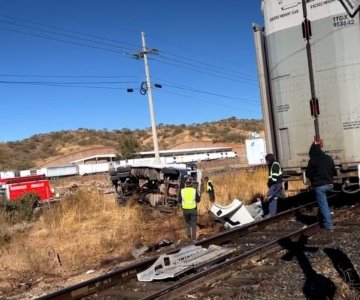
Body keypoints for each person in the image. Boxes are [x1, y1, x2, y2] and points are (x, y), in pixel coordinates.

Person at [305, 143, 336, 231]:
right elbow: (333, 171)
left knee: (324, 206)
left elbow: (308, 174)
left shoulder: (312, 160)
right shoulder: (328, 158)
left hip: (320, 187)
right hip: (330, 185)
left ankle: (329, 226)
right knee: (325, 204)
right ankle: (324, 219)